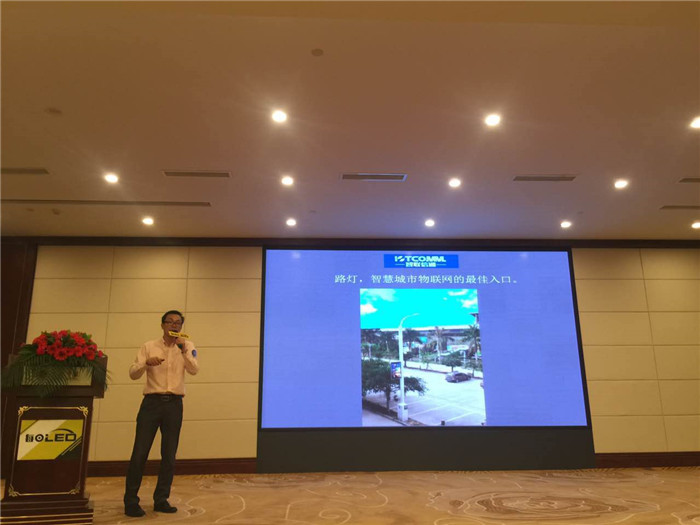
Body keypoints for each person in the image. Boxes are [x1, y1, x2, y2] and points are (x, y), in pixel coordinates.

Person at [123, 310, 199, 517]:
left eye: (178, 323)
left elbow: (194, 369)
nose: (174, 325)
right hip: (151, 404)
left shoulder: (187, 346)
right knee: (140, 453)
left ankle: (161, 499)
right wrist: (146, 363)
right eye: (170, 322)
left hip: (174, 405)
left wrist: (184, 349)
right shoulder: (149, 346)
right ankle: (131, 501)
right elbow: (132, 373)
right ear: (162, 325)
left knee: (169, 455)